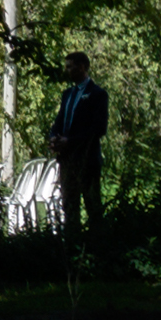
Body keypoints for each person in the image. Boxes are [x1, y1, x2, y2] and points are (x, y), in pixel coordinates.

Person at [45, 51, 107, 223]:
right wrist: (54, 138)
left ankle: (96, 245)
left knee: (92, 205)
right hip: (67, 160)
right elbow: (59, 122)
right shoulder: (68, 94)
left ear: (82, 67)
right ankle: (72, 245)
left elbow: (99, 129)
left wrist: (70, 142)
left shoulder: (98, 94)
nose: (67, 71)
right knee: (69, 206)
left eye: (70, 67)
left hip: (87, 159)